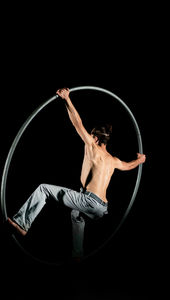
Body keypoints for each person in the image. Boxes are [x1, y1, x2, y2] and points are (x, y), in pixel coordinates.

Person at [7, 88, 146, 259]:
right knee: (76, 214)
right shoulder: (113, 160)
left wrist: (67, 99)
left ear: (95, 138)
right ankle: (77, 255)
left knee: (44, 189)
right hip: (102, 209)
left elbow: (77, 123)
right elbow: (127, 166)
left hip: (89, 201)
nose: (87, 138)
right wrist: (140, 160)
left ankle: (22, 223)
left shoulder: (92, 147)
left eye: (90, 136)